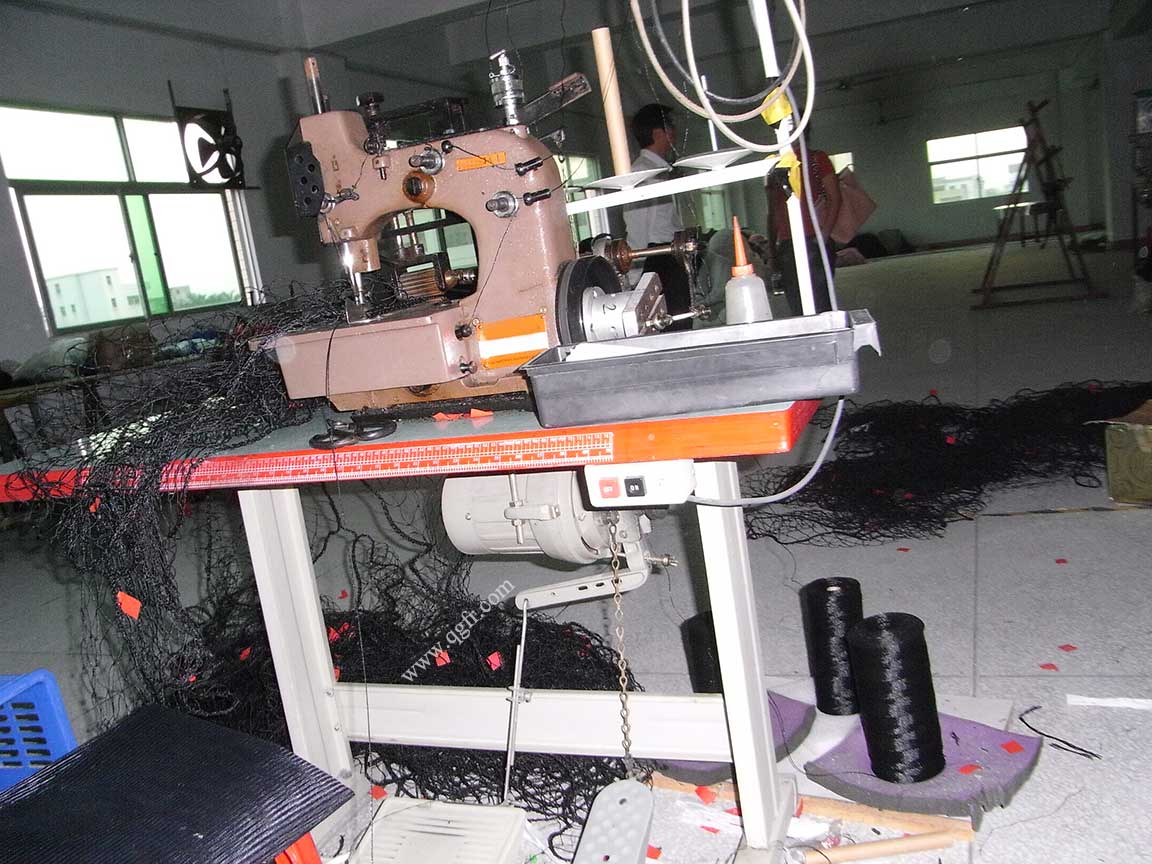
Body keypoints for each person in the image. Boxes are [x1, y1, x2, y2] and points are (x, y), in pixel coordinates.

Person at [623, 103, 693, 329]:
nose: (675, 133)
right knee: (670, 329)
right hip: (658, 260)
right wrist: (635, 278)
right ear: (657, 133)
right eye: (670, 126)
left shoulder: (662, 171)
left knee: (683, 324)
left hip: (673, 257)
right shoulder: (642, 173)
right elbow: (637, 226)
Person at [767, 132, 842, 315]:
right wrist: (773, 250)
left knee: (821, 303)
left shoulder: (816, 159)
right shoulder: (774, 166)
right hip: (788, 244)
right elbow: (773, 212)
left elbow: (835, 198)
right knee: (797, 304)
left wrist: (823, 236)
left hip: (813, 240)